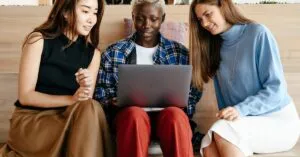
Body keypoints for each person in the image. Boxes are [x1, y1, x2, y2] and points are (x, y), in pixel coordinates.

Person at [0, 0, 114, 156]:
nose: (92, 19)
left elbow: (84, 101)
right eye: (86, 11)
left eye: (95, 13)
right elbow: (26, 96)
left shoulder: (94, 55)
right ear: (65, 12)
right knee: (88, 111)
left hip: (71, 119)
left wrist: (84, 87)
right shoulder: (38, 41)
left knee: (91, 107)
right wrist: (72, 99)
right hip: (34, 121)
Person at [189, 0, 300, 156]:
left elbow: (277, 90)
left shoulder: (257, 33)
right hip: (245, 121)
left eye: (208, 14)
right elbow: (224, 101)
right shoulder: (214, 47)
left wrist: (240, 109)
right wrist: (228, 116)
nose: (205, 23)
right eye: (200, 20)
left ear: (223, 5)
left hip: (279, 119)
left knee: (222, 132)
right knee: (208, 144)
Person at [94, 0, 202, 156]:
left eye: (153, 19)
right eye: (140, 18)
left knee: (176, 116)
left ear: (162, 18)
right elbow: (101, 93)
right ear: (133, 17)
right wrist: (112, 101)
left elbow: (194, 90)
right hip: (130, 118)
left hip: (168, 116)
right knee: (135, 115)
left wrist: (183, 103)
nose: (146, 24)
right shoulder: (113, 52)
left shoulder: (180, 53)